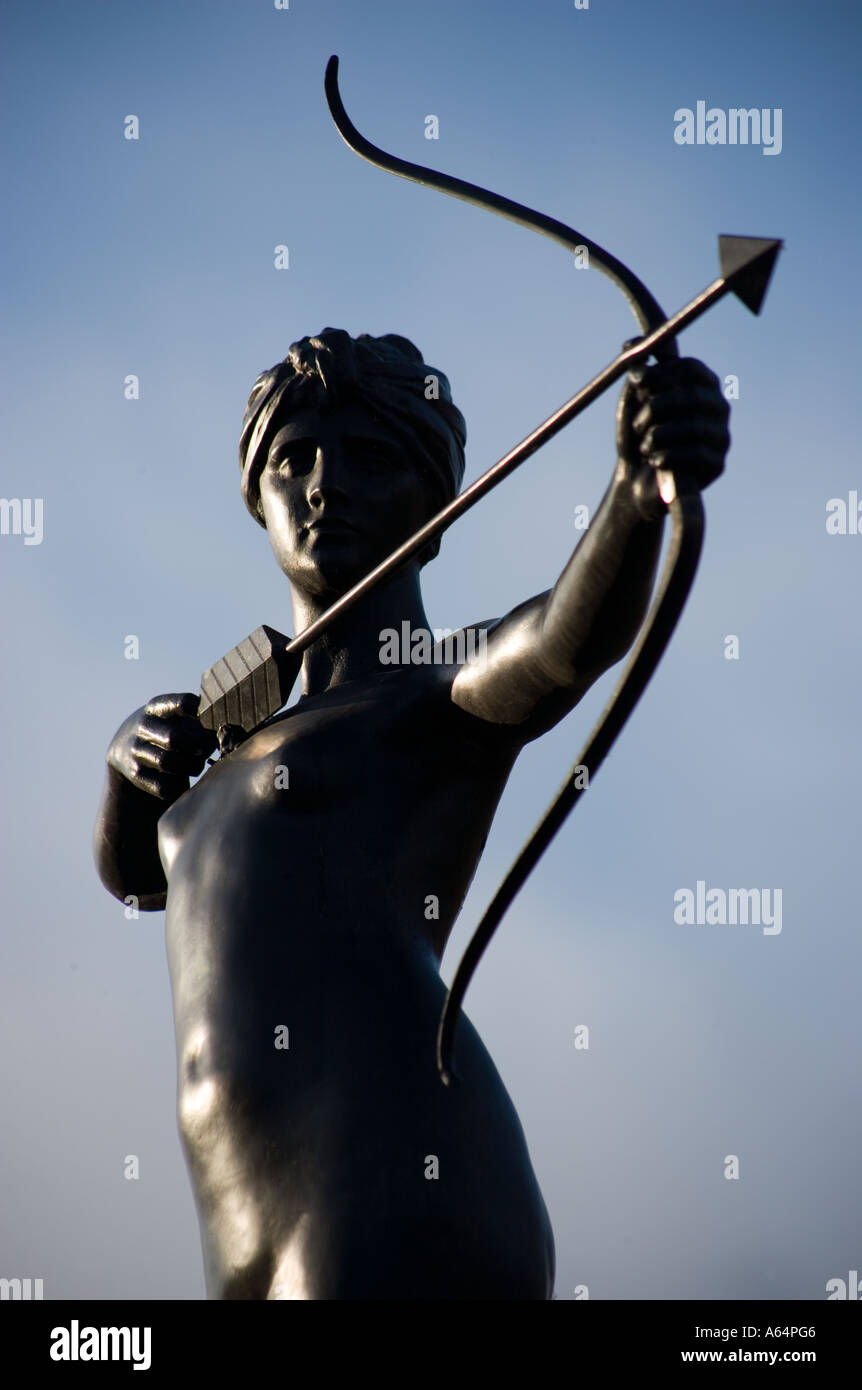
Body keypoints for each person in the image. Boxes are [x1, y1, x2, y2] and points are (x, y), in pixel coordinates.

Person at [94, 328, 729, 1299]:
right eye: (292, 457)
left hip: (390, 1178)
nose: (322, 485)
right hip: (241, 1221)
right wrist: (122, 775)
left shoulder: (433, 693)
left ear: (435, 510)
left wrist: (637, 492)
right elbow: (140, 875)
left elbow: (561, 638)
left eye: (369, 457)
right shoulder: (232, 737)